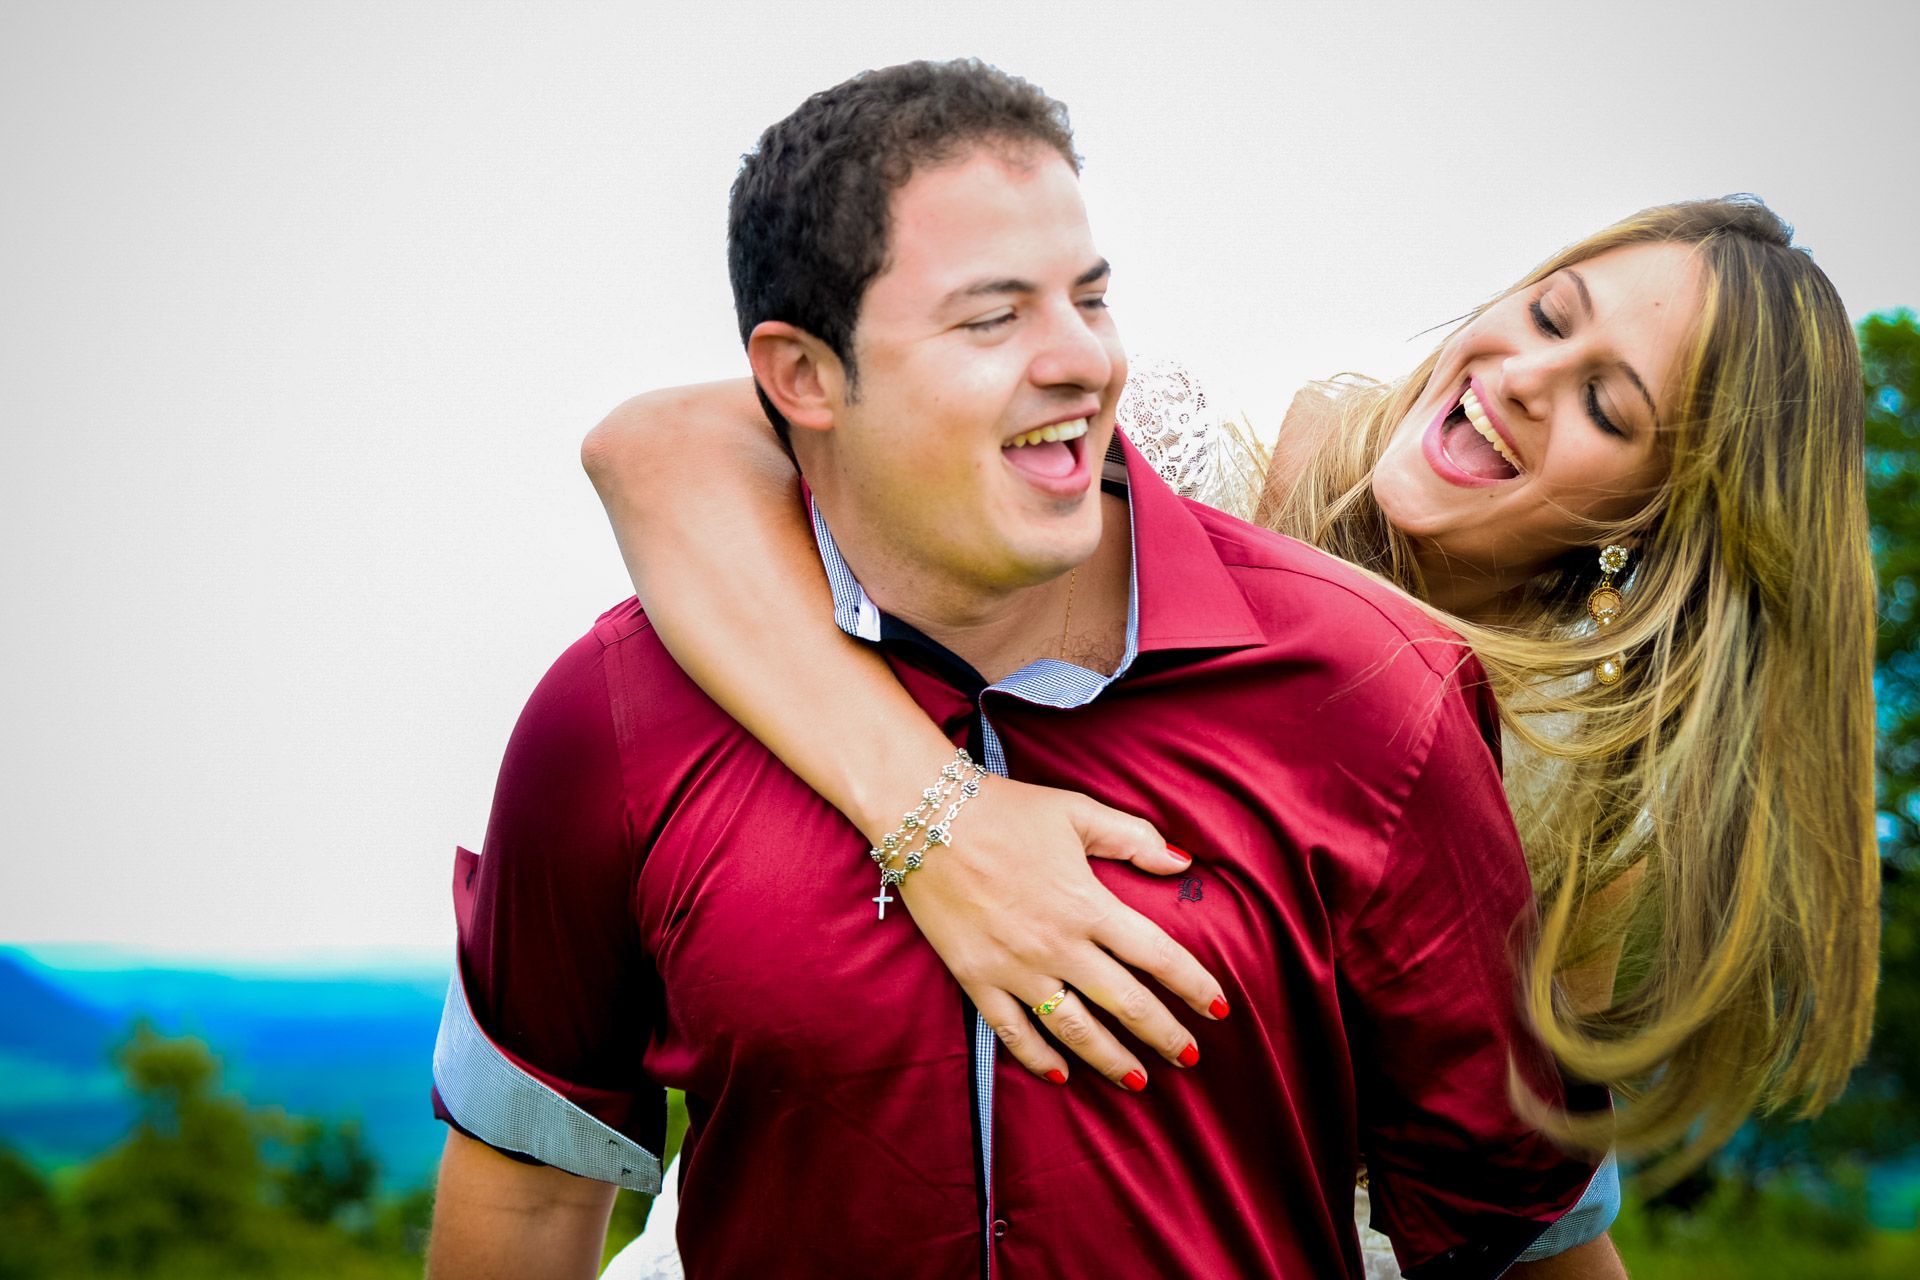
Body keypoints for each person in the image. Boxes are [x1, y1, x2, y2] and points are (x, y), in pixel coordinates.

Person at [428, 59, 1623, 1279]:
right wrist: (936, 817)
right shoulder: (614, 720)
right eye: (992, 316)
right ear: (800, 377)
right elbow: (527, 1200)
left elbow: (1523, 1243)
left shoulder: (1380, 696)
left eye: (1090, 300)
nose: (1082, 362)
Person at [583, 188, 1879, 1175]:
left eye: (1608, 404)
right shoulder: (1166, 471)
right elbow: (661, 447)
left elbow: (1495, 1200)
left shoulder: (1585, 807)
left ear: (1657, 513)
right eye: (1548, 317)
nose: (1525, 379)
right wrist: (938, 819)